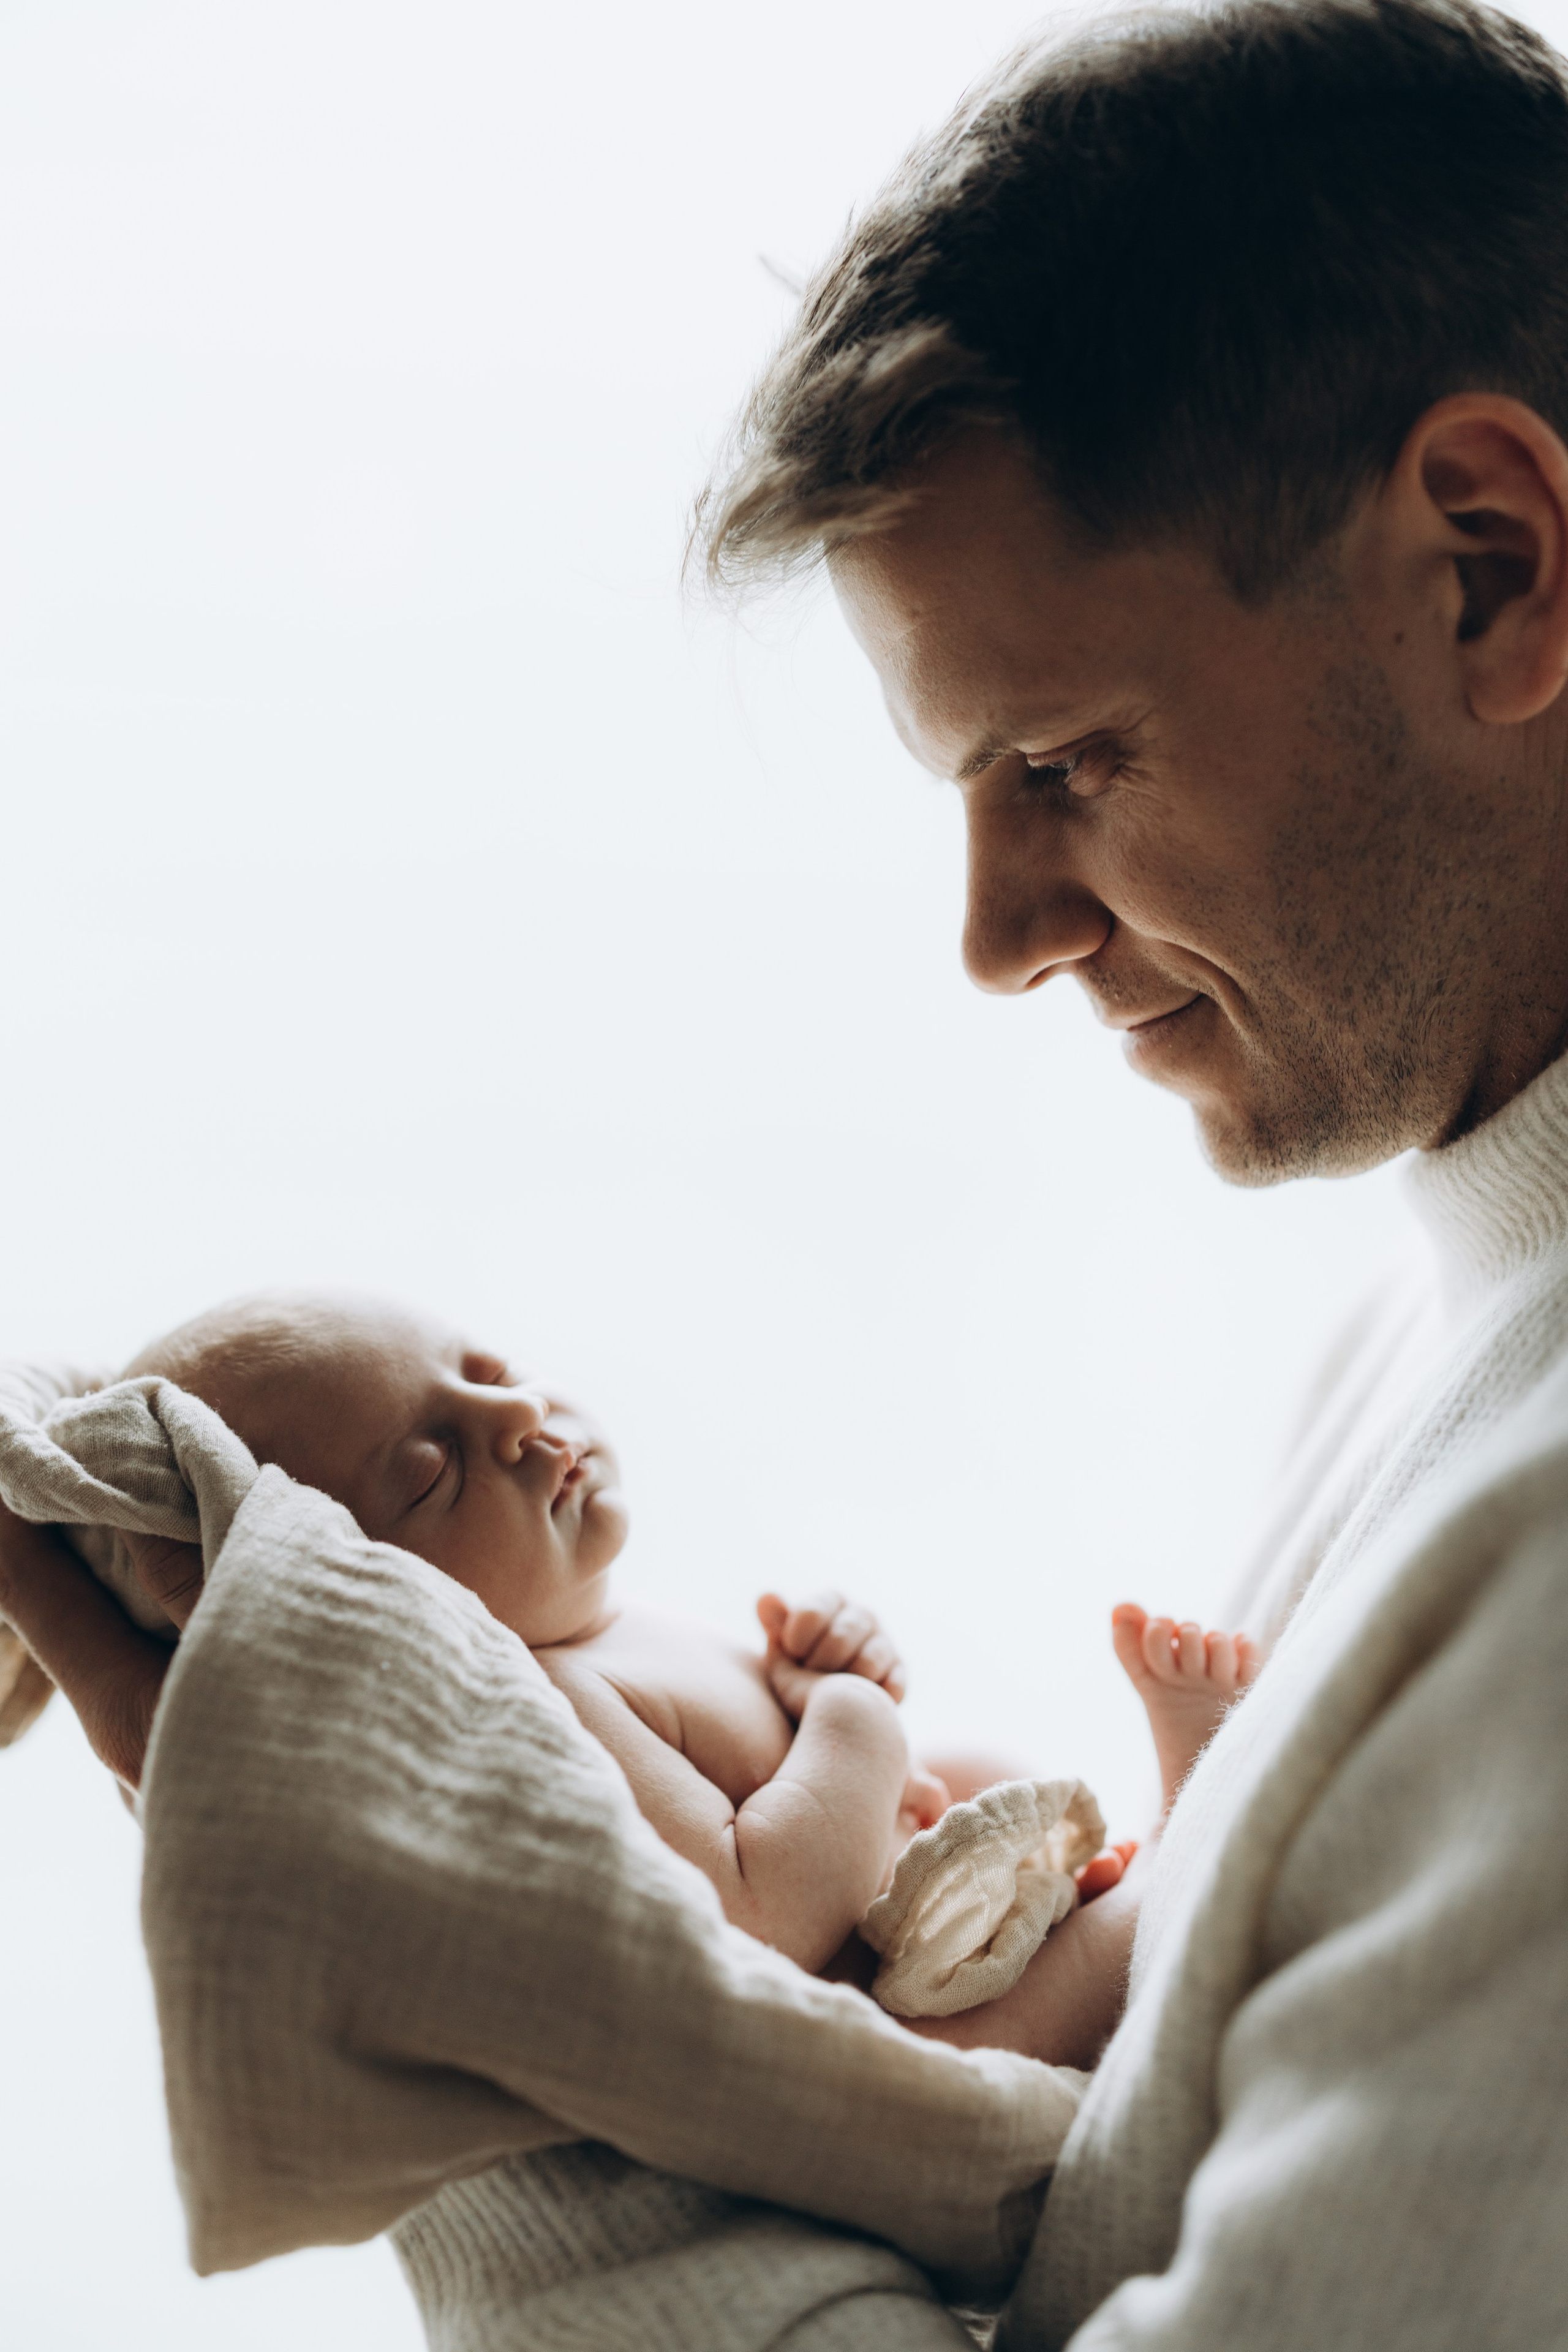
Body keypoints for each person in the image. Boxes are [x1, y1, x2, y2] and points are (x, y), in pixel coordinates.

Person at [7, 0, 1568, 2340]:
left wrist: (490, 2043)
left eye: (1067, 758)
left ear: (1488, 568)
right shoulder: (1435, 1338)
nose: (997, 935)